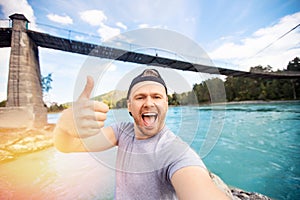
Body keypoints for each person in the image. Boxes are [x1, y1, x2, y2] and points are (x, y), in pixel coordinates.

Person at [54, 68, 230, 200]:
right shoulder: (121, 132)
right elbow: (66, 146)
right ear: (129, 105)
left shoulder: (175, 152)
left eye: (156, 96)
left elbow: (198, 187)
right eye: (140, 97)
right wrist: (63, 125)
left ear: (166, 104)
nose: (149, 103)